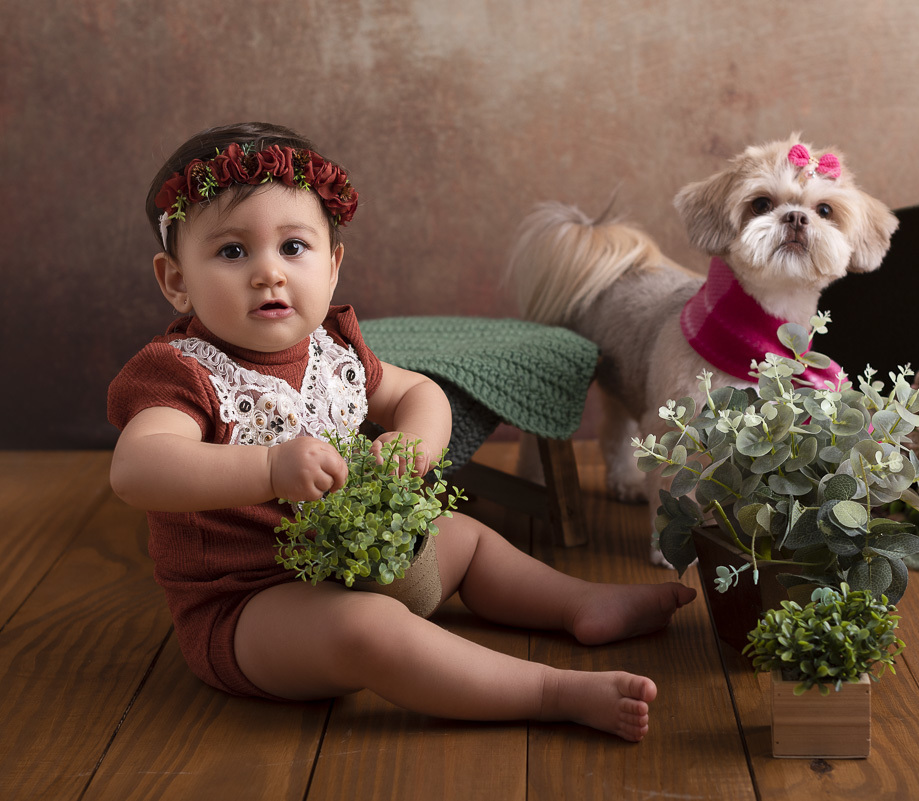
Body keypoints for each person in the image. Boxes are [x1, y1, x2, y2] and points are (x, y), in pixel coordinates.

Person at [108, 122, 696, 742]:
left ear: (333, 266)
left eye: (293, 248)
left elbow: (420, 393)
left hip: (367, 564)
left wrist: (413, 442)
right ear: (176, 280)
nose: (268, 274)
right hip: (251, 606)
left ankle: (578, 602)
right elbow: (137, 468)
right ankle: (549, 690)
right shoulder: (181, 373)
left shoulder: (334, 347)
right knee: (368, 632)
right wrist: (269, 468)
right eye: (232, 252)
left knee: (465, 539)